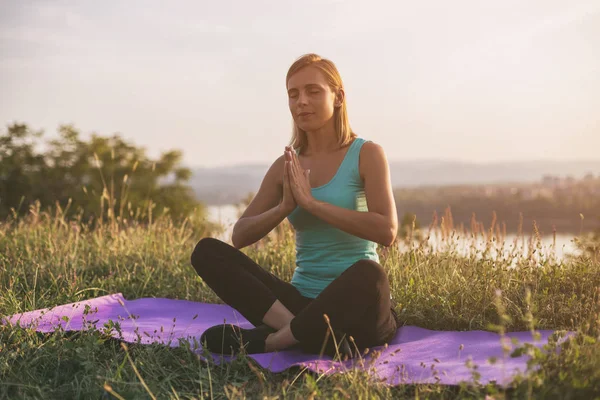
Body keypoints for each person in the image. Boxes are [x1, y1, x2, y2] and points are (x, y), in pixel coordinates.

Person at [191, 53, 400, 358]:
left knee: (371, 274)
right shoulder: (285, 165)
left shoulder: (366, 154)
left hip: (358, 310)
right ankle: (306, 333)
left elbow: (387, 230)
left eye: (313, 91)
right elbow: (240, 236)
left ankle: (275, 341)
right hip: (302, 302)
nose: (301, 101)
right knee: (206, 251)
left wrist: (313, 205)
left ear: (338, 97)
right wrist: (282, 209)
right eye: (293, 94)